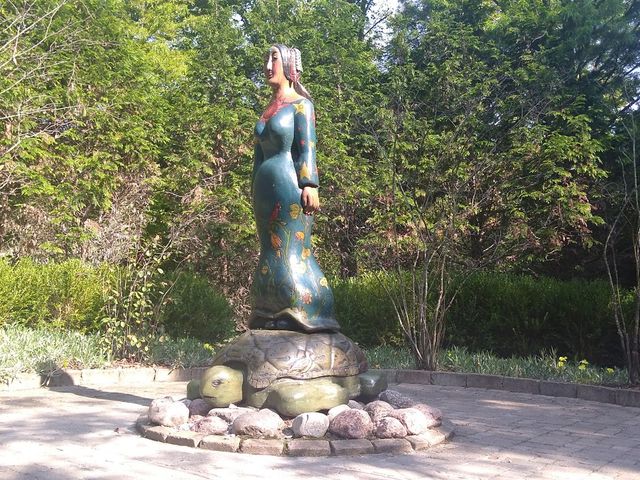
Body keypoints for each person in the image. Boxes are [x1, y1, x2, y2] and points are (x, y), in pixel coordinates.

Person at [249, 44, 340, 332]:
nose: (267, 66)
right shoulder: (267, 111)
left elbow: (307, 147)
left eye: (274, 59)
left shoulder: (301, 105)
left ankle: (307, 307)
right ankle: (269, 307)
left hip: (289, 188)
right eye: (266, 59)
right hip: (264, 193)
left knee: (291, 248)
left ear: (289, 65)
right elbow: (258, 155)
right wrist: (253, 186)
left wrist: (310, 183)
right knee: (268, 249)